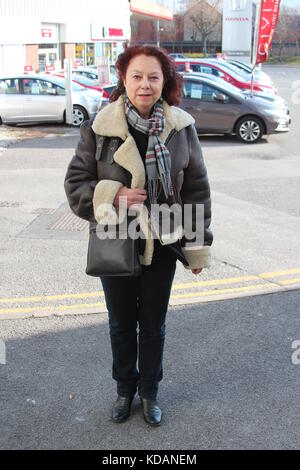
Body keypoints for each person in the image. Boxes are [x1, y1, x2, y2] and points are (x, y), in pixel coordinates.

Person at [64, 45, 213, 427]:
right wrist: (114, 195)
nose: (144, 85)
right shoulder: (100, 128)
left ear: (165, 82)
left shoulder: (181, 127)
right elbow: (76, 183)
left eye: (153, 76)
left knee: (153, 324)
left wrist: (196, 248)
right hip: (117, 239)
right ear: (124, 80)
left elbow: (195, 188)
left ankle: (149, 392)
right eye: (136, 76)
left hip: (163, 240)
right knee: (119, 323)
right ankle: (123, 390)